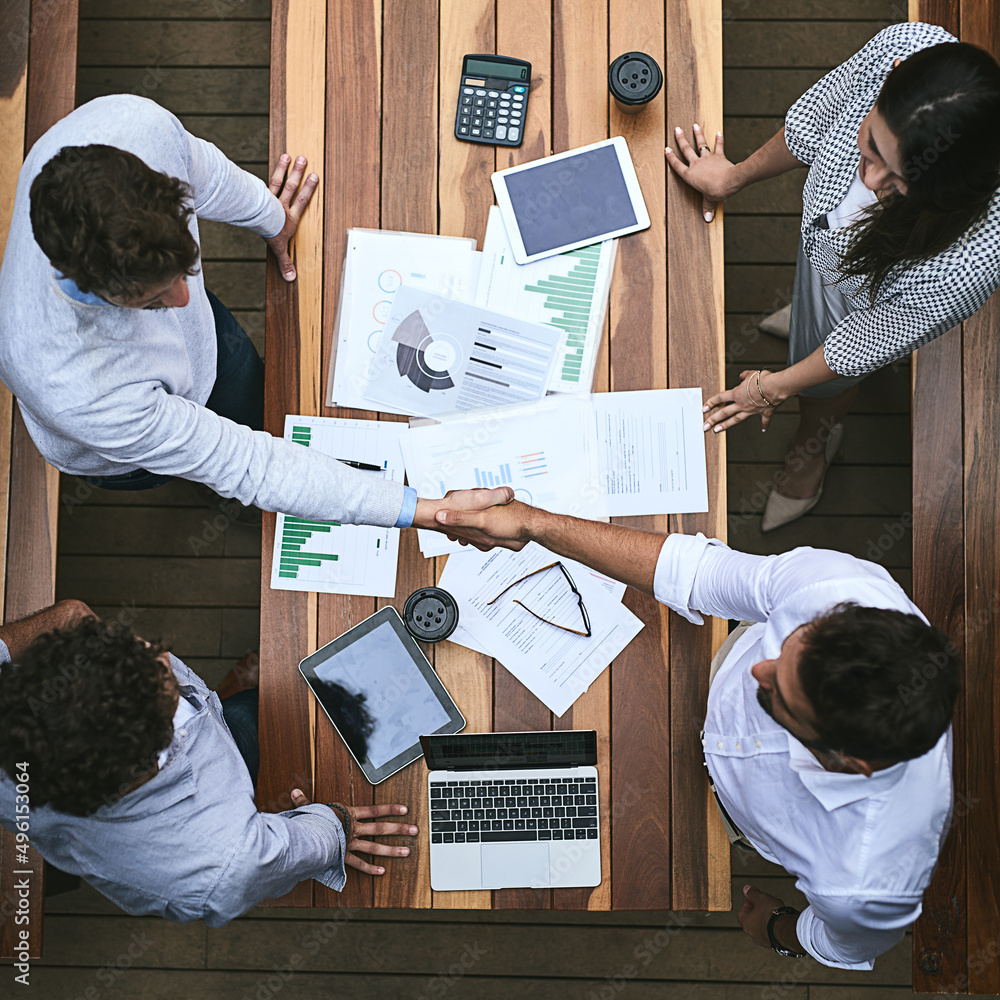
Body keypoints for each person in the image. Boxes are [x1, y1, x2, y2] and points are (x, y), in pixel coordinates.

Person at [434, 500, 958, 970]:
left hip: (730, 820)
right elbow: (698, 572)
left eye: (779, 699)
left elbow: (848, 944)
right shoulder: (837, 589)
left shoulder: (867, 879)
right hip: (701, 690)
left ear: (848, 761)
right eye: (784, 646)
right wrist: (534, 522)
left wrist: (781, 932)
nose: (759, 670)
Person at [0, 93, 505, 534]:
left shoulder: (132, 126)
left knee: (251, 395)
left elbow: (204, 171)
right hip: (115, 443)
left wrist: (274, 218)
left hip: (197, 360)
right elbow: (250, 466)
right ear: (98, 290)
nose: (184, 299)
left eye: (187, 267)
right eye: (153, 302)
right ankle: (215, 499)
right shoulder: (76, 389)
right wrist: (424, 509)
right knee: (211, 473)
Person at [665, 22, 1000, 530]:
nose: (868, 179)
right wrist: (732, 177)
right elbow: (815, 118)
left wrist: (773, 387)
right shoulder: (905, 47)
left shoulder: (968, 264)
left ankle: (814, 445)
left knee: (823, 380)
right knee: (812, 305)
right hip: (821, 250)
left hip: (870, 298)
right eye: (871, 146)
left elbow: (863, 342)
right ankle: (807, 313)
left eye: (900, 181)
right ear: (894, 76)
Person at [0, 602, 414, 925]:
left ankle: (232, 699)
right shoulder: (222, 862)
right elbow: (300, 844)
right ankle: (236, 704)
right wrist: (338, 823)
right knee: (262, 727)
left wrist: (81, 632)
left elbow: (73, 615)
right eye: (167, 688)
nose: (161, 652)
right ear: (148, 760)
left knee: (245, 716)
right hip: (228, 829)